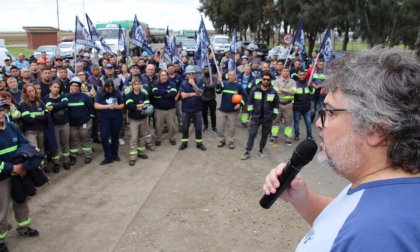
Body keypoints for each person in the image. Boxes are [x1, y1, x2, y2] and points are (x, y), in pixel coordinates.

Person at [262, 48, 420, 250]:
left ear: (374, 130)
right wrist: (302, 198)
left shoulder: (376, 236)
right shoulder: (386, 187)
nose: (319, 122)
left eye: (329, 112)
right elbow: (343, 221)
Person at [0, 101, 39, 252]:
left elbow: (24, 144)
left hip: (18, 173)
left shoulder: (12, 127)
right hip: (2, 177)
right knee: (2, 208)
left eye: (3, 110)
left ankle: (24, 227)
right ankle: (1, 239)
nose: (2, 113)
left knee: (21, 200)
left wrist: (23, 163)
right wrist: (12, 168)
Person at [241, 71, 279, 160]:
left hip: (267, 118)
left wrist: (273, 115)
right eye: (264, 79)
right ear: (261, 79)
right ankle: (247, 151)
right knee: (252, 134)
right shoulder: (255, 89)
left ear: (270, 81)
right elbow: (249, 102)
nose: (266, 81)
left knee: (264, 135)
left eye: (268, 80)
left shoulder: (273, 92)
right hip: (256, 117)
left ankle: (261, 150)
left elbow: (276, 104)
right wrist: (251, 114)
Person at [94, 79, 124, 165]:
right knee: (104, 137)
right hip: (105, 119)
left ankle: (114, 155)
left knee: (115, 137)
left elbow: (122, 104)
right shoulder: (100, 92)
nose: (110, 90)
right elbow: (96, 105)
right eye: (109, 88)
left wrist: (118, 106)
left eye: (112, 88)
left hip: (116, 118)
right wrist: (107, 106)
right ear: (105, 87)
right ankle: (108, 156)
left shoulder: (117, 92)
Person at [215, 70, 247, 149]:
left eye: (233, 75)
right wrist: (218, 84)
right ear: (228, 76)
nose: (231, 77)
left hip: (232, 111)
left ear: (235, 76)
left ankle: (231, 141)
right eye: (230, 75)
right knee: (220, 127)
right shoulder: (224, 83)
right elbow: (218, 91)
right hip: (222, 109)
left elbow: (245, 96)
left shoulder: (238, 86)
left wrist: (240, 104)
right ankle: (222, 140)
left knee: (232, 128)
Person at [66, 77, 94, 165]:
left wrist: (90, 118)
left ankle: (88, 156)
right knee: (73, 140)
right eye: (73, 86)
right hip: (71, 124)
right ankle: (73, 156)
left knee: (85, 139)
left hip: (84, 123)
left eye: (77, 86)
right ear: (70, 86)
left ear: (79, 87)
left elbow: (91, 108)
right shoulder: (66, 97)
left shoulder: (85, 96)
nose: (75, 87)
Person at [178, 65, 206, 151]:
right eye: (189, 74)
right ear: (186, 75)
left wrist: (194, 85)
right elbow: (183, 95)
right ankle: (184, 142)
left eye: (192, 74)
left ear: (195, 74)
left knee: (198, 127)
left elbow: (201, 94)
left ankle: (199, 143)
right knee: (185, 127)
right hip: (186, 110)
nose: (191, 76)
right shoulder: (183, 83)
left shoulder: (199, 82)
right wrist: (194, 94)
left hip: (197, 109)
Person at [45, 80, 70, 172]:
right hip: (54, 126)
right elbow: (48, 107)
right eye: (54, 87)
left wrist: (54, 107)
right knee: (55, 146)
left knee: (65, 143)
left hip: (65, 124)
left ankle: (66, 161)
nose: (56, 89)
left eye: (58, 87)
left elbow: (65, 104)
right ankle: (56, 163)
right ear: (50, 87)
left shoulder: (63, 96)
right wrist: (60, 106)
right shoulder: (46, 98)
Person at [125, 79, 152, 166]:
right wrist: (141, 105)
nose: (136, 86)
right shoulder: (129, 95)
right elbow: (130, 106)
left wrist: (136, 106)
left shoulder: (144, 95)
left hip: (143, 119)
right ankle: (132, 157)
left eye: (138, 84)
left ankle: (141, 152)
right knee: (133, 138)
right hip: (133, 120)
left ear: (140, 85)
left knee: (142, 136)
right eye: (135, 84)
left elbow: (147, 106)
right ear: (132, 86)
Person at [151, 70, 177, 146]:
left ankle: (172, 138)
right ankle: (158, 139)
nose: (164, 77)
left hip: (170, 109)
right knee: (158, 126)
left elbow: (173, 94)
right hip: (159, 110)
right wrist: (167, 91)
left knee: (171, 125)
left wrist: (161, 95)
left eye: (165, 75)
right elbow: (155, 93)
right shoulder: (155, 84)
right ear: (159, 76)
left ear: (167, 76)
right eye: (162, 75)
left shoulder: (172, 83)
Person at [293, 70, 314, 141]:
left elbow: (312, 92)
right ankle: (296, 135)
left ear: (305, 75)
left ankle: (309, 136)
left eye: (303, 75)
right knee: (296, 123)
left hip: (307, 107)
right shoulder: (295, 84)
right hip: (297, 107)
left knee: (308, 123)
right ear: (298, 76)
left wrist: (310, 86)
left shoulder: (308, 83)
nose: (302, 76)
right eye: (300, 75)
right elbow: (292, 95)